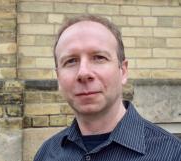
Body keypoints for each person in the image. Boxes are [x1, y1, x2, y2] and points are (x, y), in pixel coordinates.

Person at [33, 15, 181, 161]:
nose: (83, 73)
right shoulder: (46, 153)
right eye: (71, 61)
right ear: (58, 77)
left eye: (99, 57)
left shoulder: (173, 154)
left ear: (123, 71)